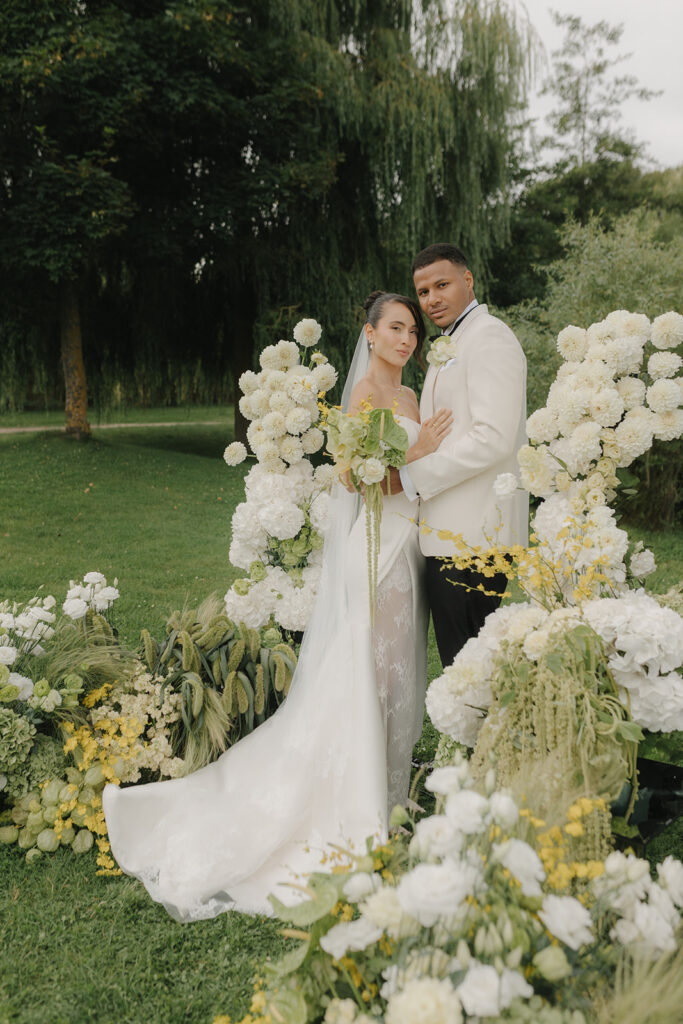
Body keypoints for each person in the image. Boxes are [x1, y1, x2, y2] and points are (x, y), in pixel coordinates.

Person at [102, 291, 450, 922]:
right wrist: (420, 452)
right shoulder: (364, 397)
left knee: (397, 671)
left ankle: (390, 795)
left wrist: (423, 451)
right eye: (396, 328)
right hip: (374, 548)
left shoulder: (409, 397)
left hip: (407, 547)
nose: (407, 339)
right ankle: (356, 806)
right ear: (370, 335)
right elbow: (354, 477)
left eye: (413, 332)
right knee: (365, 670)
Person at [395, 242, 529, 669]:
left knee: (470, 667)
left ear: (467, 280)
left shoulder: (489, 338)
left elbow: (493, 437)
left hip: (475, 537)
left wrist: (415, 476)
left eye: (442, 285)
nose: (431, 299)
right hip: (451, 535)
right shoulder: (455, 341)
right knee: (463, 667)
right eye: (423, 292)